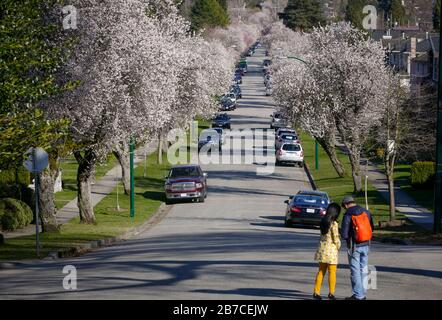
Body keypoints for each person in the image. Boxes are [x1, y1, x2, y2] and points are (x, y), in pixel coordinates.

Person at [340, 195, 374, 300]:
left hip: (354, 246)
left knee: (355, 271)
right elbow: (372, 227)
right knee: (363, 269)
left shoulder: (348, 214)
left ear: (346, 205)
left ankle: (358, 295)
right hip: (366, 244)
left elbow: (344, 234)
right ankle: (362, 293)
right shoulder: (366, 212)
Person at [313, 202, 341, 300]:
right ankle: (331, 293)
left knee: (321, 271)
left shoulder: (323, 221)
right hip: (331, 251)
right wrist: (338, 246)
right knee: (332, 272)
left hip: (322, 250)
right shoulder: (334, 223)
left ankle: (316, 292)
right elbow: (335, 238)